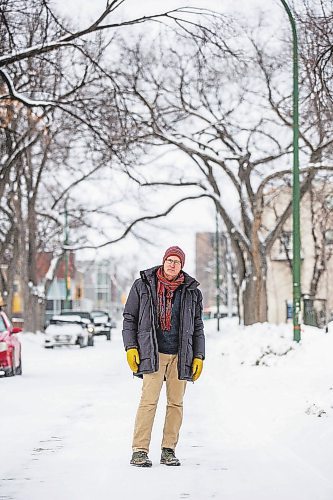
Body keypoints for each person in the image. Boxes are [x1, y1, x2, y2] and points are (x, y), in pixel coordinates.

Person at [122, 245, 205, 467]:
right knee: (148, 402)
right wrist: (131, 347)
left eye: (177, 261)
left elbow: (197, 326)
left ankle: (168, 450)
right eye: (169, 259)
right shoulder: (143, 285)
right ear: (163, 261)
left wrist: (199, 355)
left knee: (176, 403)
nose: (172, 264)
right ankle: (139, 450)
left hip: (180, 354)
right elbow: (129, 318)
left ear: (182, 266)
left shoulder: (191, 292)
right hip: (153, 352)